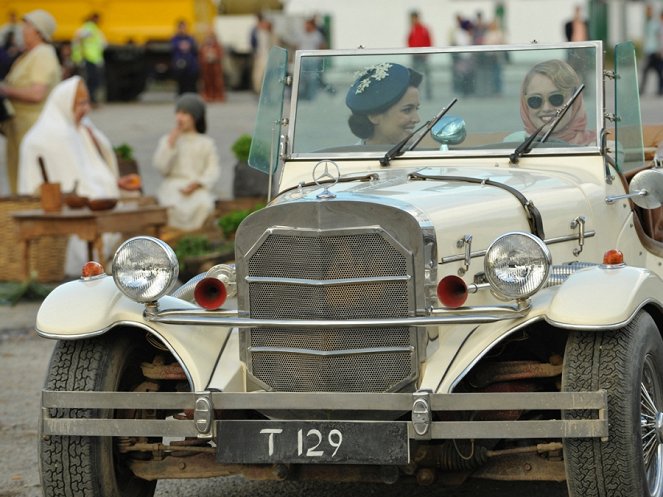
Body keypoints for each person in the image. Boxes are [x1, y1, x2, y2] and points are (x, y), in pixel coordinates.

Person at [17, 76, 128, 276]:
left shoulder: (80, 127)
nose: (85, 109)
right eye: (79, 103)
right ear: (65, 104)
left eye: (87, 103)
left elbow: (94, 167)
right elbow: (73, 178)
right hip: (58, 203)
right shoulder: (54, 133)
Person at [0, 9, 61, 195]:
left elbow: (37, 94)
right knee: (19, 177)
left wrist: (5, 90)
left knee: (31, 180)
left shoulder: (42, 54)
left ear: (38, 32)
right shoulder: (30, 54)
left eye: (27, 26)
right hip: (20, 129)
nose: (22, 30)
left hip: (32, 127)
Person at [152, 93, 221, 230]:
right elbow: (161, 168)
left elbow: (212, 170)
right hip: (173, 186)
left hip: (196, 187)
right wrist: (170, 145)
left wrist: (198, 183)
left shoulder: (206, 143)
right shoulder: (168, 140)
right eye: (178, 113)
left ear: (194, 117)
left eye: (184, 113)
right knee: (169, 207)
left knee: (204, 205)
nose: (179, 117)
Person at [505, 59, 596, 146]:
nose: (546, 108)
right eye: (535, 100)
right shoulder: (511, 146)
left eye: (556, 98)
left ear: (575, 101)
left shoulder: (598, 148)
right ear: (525, 105)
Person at [345, 62, 422, 145]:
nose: (417, 119)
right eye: (407, 110)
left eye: (416, 109)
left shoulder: (427, 153)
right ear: (374, 116)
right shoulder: (353, 157)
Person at [71, 12, 106, 105]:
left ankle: (90, 100)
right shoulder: (89, 28)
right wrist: (78, 56)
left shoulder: (92, 28)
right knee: (91, 81)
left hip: (92, 58)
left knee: (92, 81)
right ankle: (89, 100)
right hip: (89, 58)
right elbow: (78, 40)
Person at [297, 17, 326, 100]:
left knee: (313, 80)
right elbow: (298, 45)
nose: (306, 27)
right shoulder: (302, 34)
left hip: (314, 60)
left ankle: (311, 97)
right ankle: (302, 96)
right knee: (302, 79)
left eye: (307, 25)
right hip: (303, 60)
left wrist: (321, 58)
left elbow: (322, 46)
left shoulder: (317, 35)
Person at [407, 10, 433, 100]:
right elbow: (409, 41)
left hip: (423, 56)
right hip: (415, 56)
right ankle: (416, 93)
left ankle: (429, 94)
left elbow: (429, 41)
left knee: (427, 74)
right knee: (415, 75)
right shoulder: (412, 29)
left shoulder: (424, 29)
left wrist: (427, 53)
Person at [171, 19, 199, 95]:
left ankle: (192, 96)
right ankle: (182, 96)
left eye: (185, 27)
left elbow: (195, 49)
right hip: (180, 64)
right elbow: (173, 48)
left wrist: (188, 46)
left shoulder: (191, 38)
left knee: (191, 83)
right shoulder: (175, 38)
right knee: (181, 83)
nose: (183, 29)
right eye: (181, 27)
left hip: (191, 65)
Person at [199, 27, 225, 102]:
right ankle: (208, 95)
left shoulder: (217, 44)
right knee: (207, 81)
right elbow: (201, 54)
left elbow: (220, 53)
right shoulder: (204, 45)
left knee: (217, 82)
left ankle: (218, 95)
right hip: (207, 66)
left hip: (215, 66)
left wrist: (214, 56)